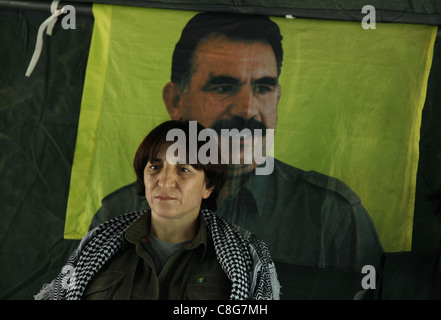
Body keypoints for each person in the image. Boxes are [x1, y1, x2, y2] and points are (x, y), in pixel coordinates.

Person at [90, 12, 384, 298]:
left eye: (263, 88)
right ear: (176, 100)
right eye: (223, 87)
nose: (247, 110)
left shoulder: (332, 216)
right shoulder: (117, 215)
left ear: (277, 99)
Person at [35, 120, 280, 300]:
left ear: (208, 185)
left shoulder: (246, 256)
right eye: (155, 167)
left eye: (183, 169)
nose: (164, 181)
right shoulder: (98, 243)